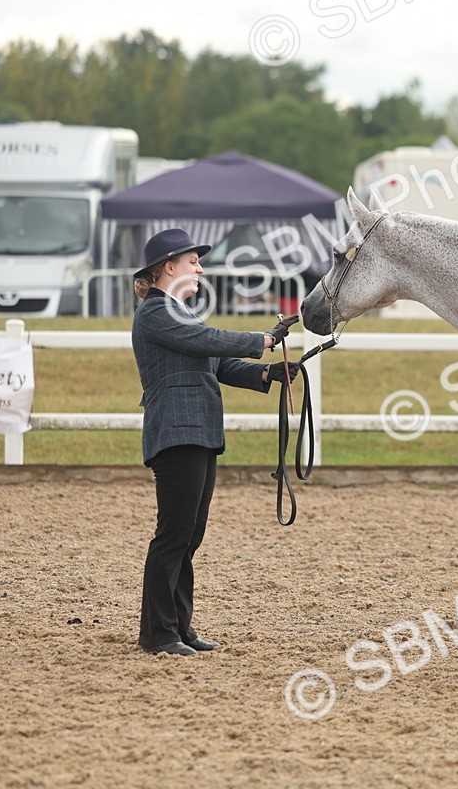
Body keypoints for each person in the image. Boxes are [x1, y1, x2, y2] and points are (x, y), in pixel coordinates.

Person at [131, 228, 299, 655]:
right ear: (169, 267)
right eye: (194, 262)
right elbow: (208, 341)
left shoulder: (181, 314)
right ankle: (158, 634)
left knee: (190, 535)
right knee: (173, 534)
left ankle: (179, 627)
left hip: (199, 431)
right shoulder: (155, 312)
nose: (201, 269)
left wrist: (266, 372)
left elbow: (217, 362)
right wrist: (262, 340)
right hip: (177, 431)